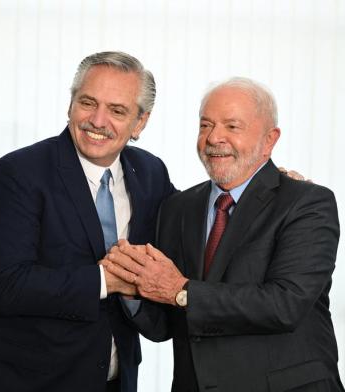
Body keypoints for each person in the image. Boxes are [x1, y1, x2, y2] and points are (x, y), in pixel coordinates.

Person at [104, 77, 344, 391]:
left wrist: (181, 290)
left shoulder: (308, 202)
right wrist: (134, 289)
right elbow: (166, 323)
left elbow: (285, 304)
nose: (215, 137)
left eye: (232, 126)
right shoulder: (178, 207)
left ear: (269, 140)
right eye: (206, 125)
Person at [0, 51, 176, 392]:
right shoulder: (19, 173)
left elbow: (193, 222)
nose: (98, 120)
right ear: (71, 104)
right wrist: (107, 281)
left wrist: (263, 185)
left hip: (114, 382)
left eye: (117, 110)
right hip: (24, 382)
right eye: (88, 102)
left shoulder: (150, 173)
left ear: (140, 122)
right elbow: (8, 285)